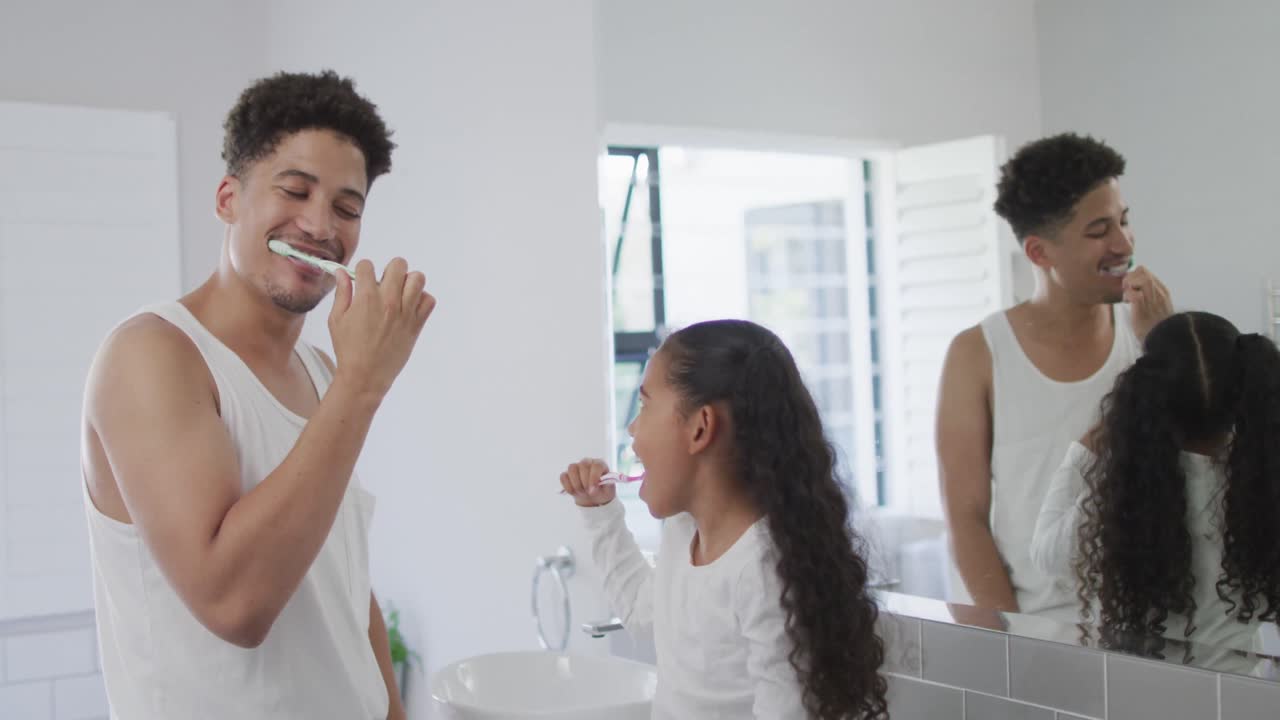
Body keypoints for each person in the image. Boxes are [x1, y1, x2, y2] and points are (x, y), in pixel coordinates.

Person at [80, 70, 433, 719]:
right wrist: (365, 382)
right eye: (295, 191)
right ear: (228, 199)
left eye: (347, 208)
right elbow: (234, 605)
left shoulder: (325, 371)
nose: (320, 225)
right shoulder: (152, 358)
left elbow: (345, 586)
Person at [560, 319, 888, 719]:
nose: (632, 428)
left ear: (700, 427)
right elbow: (645, 616)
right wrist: (601, 515)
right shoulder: (685, 533)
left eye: (645, 405)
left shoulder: (762, 568)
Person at [936, 132, 1172, 620]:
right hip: (1039, 631)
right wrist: (1009, 636)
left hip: (1154, 630)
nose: (1123, 243)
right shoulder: (978, 354)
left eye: (1124, 221)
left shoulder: (1148, 336)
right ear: (1040, 253)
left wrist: (1164, 347)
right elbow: (966, 517)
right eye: (1098, 231)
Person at [1031, 312, 1280, 673]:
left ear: (1144, 396)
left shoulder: (1120, 501)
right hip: (1239, 698)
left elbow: (1045, 554)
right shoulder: (1264, 494)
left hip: (1140, 697)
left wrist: (1115, 424)